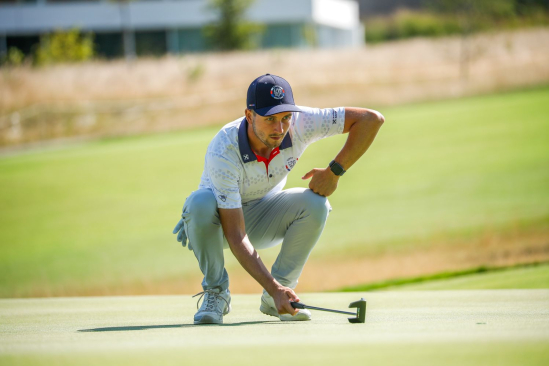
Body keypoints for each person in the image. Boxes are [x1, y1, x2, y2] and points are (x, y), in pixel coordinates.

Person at [173, 74, 384, 325]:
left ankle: (280, 296)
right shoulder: (224, 148)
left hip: (263, 215)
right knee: (200, 204)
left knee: (316, 204)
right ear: (249, 116)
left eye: (285, 118)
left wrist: (334, 172)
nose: (280, 128)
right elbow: (236, 234)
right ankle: (216, 293)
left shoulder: (302, 122)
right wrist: (271, 285)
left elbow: (371, 120)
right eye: (270, 119)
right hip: (217, 222)